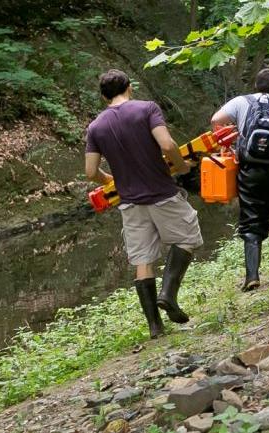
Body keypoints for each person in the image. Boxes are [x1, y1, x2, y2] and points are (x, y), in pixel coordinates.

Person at [84, 69, 202, 338]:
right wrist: (182, 167)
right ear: (130, 87)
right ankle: (168, 294)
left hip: (129, 203)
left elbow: (91, 172)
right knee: (187, 237)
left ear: (104, 97)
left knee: (142, 259)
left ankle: (155, 327)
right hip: (162, 192)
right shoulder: (147, 109)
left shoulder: (96, 127)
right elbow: (167, 144)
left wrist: (108, 178)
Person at [211, 68, 269, 292]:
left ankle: (252, 275)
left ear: (255, 86)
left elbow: (215, 119)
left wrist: (232, 142)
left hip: (250, 171)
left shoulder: (241, 103)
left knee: (251, 219)